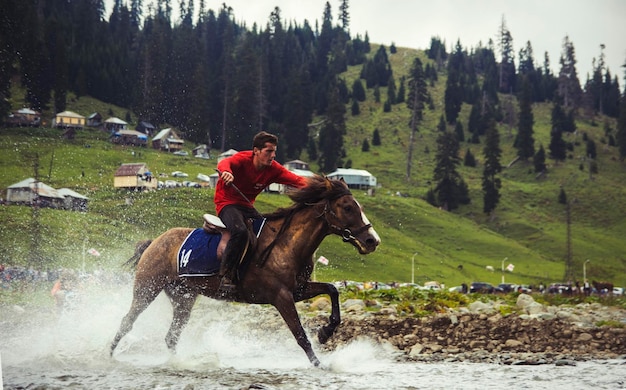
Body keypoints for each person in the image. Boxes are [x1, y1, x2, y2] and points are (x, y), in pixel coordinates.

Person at [214, 131, 307, 294]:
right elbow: (224, 163)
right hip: (226, 203)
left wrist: (324, 186)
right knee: (240, 231)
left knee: (269, 231)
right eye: (269, 151)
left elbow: (298, 180)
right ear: (256, 151)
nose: (273, 156)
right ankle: (226, 276)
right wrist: (226, 173)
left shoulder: (274, 169)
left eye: (274, 151)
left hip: (247, 206)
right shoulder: (242, 159)